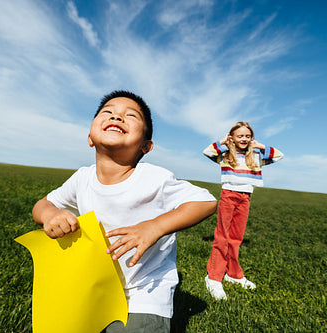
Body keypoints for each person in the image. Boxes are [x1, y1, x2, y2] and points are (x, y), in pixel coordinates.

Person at [32, 90, 217, 332]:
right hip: (95, 285)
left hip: (145, 291)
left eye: (131, 116)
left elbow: (205, 201)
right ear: (90, 137)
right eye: (107, 112)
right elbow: (41, 205)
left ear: (146, 146)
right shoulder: (82, 178)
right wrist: (50, 215)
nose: (117, 117)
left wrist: (155, 226)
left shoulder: (153, 178)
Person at [203, 121, 283, 300]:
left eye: (248, 136)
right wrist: (223, 142)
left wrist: (261, 146)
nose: (244, 139)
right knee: (222, 236)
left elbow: (279, 156)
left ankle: (233, 274)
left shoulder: (255, 156)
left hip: (245, 197)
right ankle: (213, 277)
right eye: (240, 136)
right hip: (228, 195)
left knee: (236, 238)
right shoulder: (226, 155)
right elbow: (207, 152)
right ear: (232, 137)